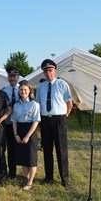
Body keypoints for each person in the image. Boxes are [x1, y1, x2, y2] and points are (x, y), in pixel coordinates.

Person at [36, 59, 73, 189]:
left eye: (50, 70)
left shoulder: (62, 84)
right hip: (45, 120)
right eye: (45, 71)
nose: (48, 73)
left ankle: (65, 179)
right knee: (47, 150)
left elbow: (69, 103)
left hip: (59, 119)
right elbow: (38, 104)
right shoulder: (40, 87)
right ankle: (48, 177)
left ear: (55, 71)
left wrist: (65, 116)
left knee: (61, 150)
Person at [11, 80, 41, 191]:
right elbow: (14, 121)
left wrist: (28, 136)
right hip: (19, 131)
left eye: (25, 90)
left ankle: (30, 182)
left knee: (31, 159)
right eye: (21, 90)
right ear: (19, 91)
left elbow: (36, 122)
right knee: (23, 158)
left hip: (30, 132)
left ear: (29, 91)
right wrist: (16, 134)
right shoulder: (16, 105)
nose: (23, 91)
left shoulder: (34, 104)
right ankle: (28, 179)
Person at [2, 66, 20, 179]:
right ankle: (12, 173)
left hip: (21, 124)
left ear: (18, 77)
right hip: (8, 124)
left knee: (22, 148)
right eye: (10, 76)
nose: (12, 78)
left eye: (14, 76)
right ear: (8, 78)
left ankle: (26, 172)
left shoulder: (24, 89)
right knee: (11, 149)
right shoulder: (4, 91)